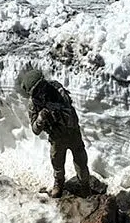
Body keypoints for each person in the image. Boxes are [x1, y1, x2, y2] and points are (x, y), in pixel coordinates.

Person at [19, 69, 91, 198]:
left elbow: (70, 113)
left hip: (72, 132)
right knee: (57, 163)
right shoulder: (34, 104)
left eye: (41, 86)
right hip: (56, 137)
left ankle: (85, 185)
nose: (41, 91)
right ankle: (59, 184)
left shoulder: (57, 90)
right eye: (37, 89)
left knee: (81, 162)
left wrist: (59, 112)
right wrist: (41, 117)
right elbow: (35, 130)